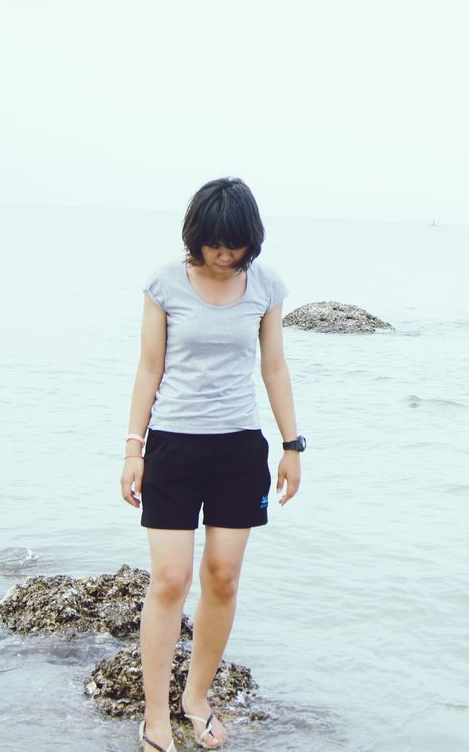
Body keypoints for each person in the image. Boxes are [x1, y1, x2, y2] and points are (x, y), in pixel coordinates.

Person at [120, 177, 304, 752]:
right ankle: (154, 716)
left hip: (238, 449)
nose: (227, 256)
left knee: (222, 577)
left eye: (238, 246)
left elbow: (274, 367)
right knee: (170, 579)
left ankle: (195, 699)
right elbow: (149, 367)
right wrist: (133, 449)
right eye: (216, 245)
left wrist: (292, 446)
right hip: (174, 447)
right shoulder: (164, 283)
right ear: (196, 238)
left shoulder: (266, 285)